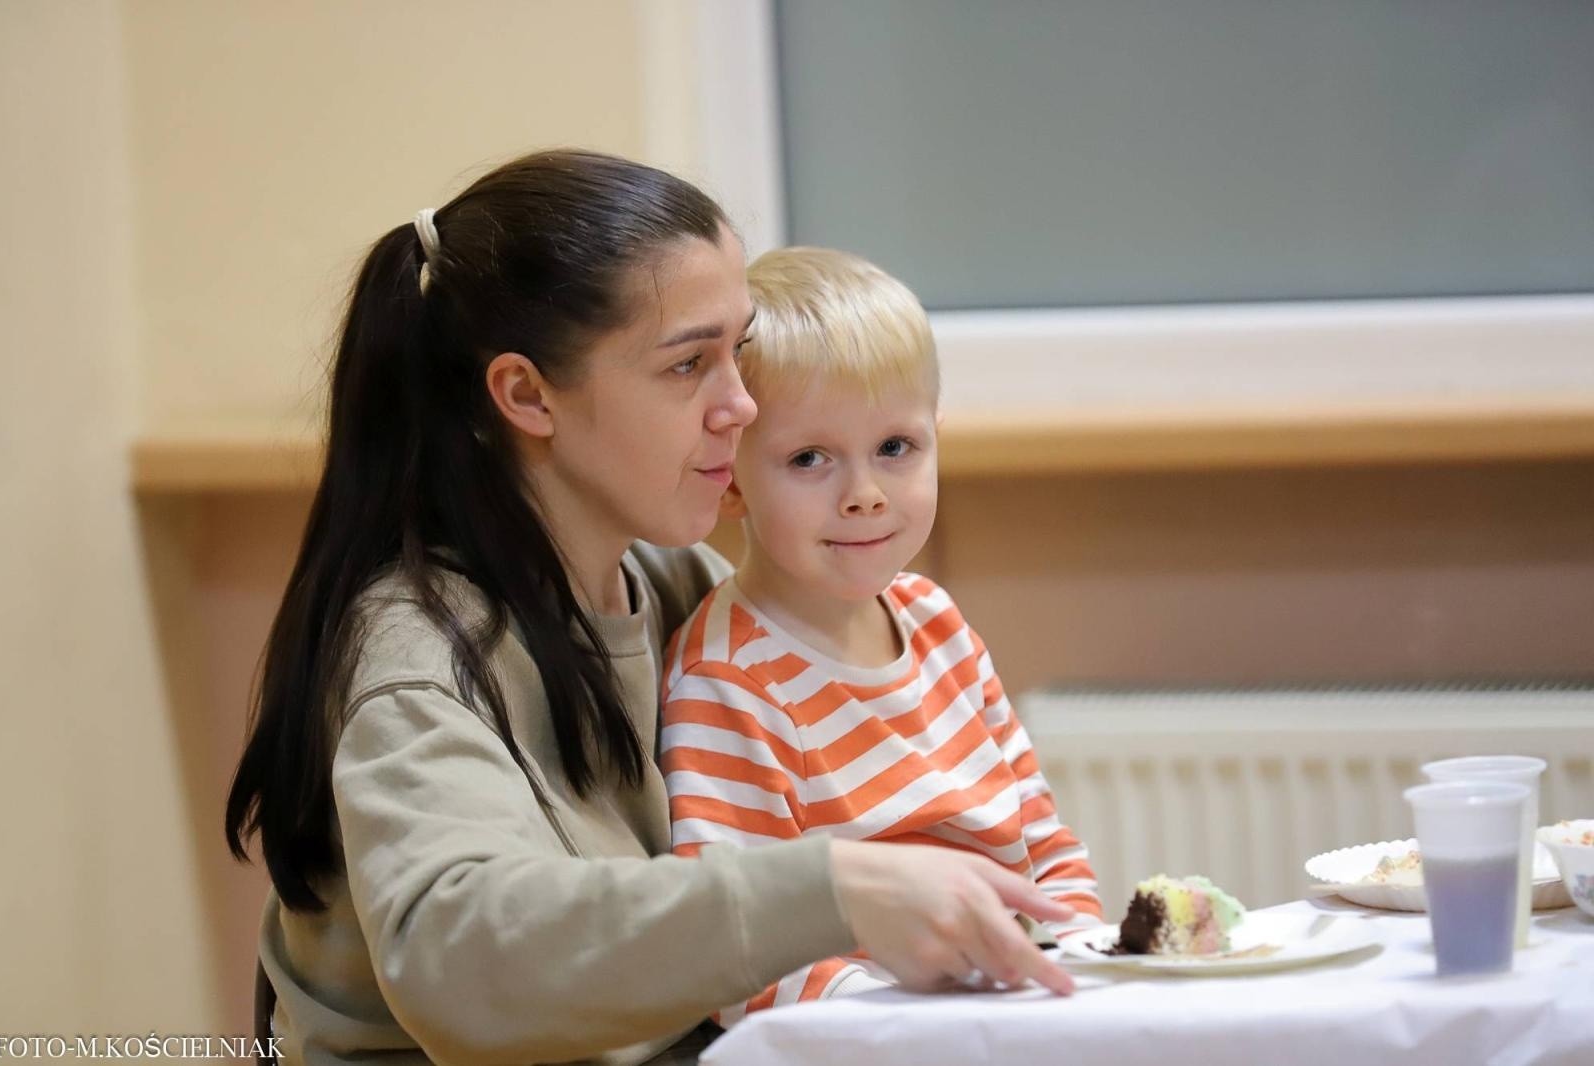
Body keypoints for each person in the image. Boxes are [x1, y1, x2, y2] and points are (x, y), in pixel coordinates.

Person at [223, 150, 1077, 1066]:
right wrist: (833, 888)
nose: (742, 406)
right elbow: (456, 955)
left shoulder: (678, 583)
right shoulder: (416, 649)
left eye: (738, 352)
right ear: (526, 395)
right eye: (688, 366)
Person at [659, 247, 1102, 1024]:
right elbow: (740, 951)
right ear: (730, 479)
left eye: (895, 448)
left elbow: (1040, 836)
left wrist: (1084, 956)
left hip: (1005, 1007)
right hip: (871, 1032)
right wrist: (911, 1021)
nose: (864, 495)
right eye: (809, 459)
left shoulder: (936, 619)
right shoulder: (729, 679)